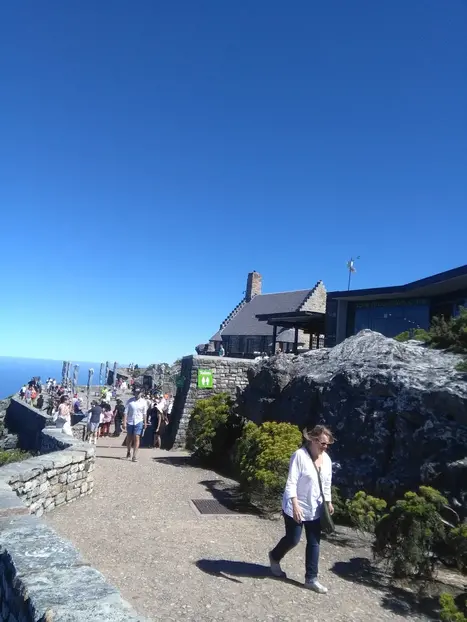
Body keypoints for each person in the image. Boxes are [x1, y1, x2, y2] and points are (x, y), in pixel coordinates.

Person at [269, 424, 335, 594]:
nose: (325, 447)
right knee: (293, 539)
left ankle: (311, 579)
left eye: (328, 444)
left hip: (315, 507)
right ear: (313, 440)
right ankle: (274, 557)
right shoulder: (299, 456)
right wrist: (295, 505)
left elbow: (326, 483)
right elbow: (291, 482)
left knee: (314, 543)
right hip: (295, 506)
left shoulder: (327, 460)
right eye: (323, 443)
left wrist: (328, 502)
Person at [123, 388, 148, 462]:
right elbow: (125, 412)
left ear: (141, 393)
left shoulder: (144, 402)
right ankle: (128, 451)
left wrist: (145, 422)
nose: (137, 394)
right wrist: (124, 422)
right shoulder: (130, 401)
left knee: (137, 437)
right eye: (136, 393)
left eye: (139, 393)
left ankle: (134, 456)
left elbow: (144, 413)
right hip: (130, 421)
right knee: (129, 437)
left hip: (139, 421)